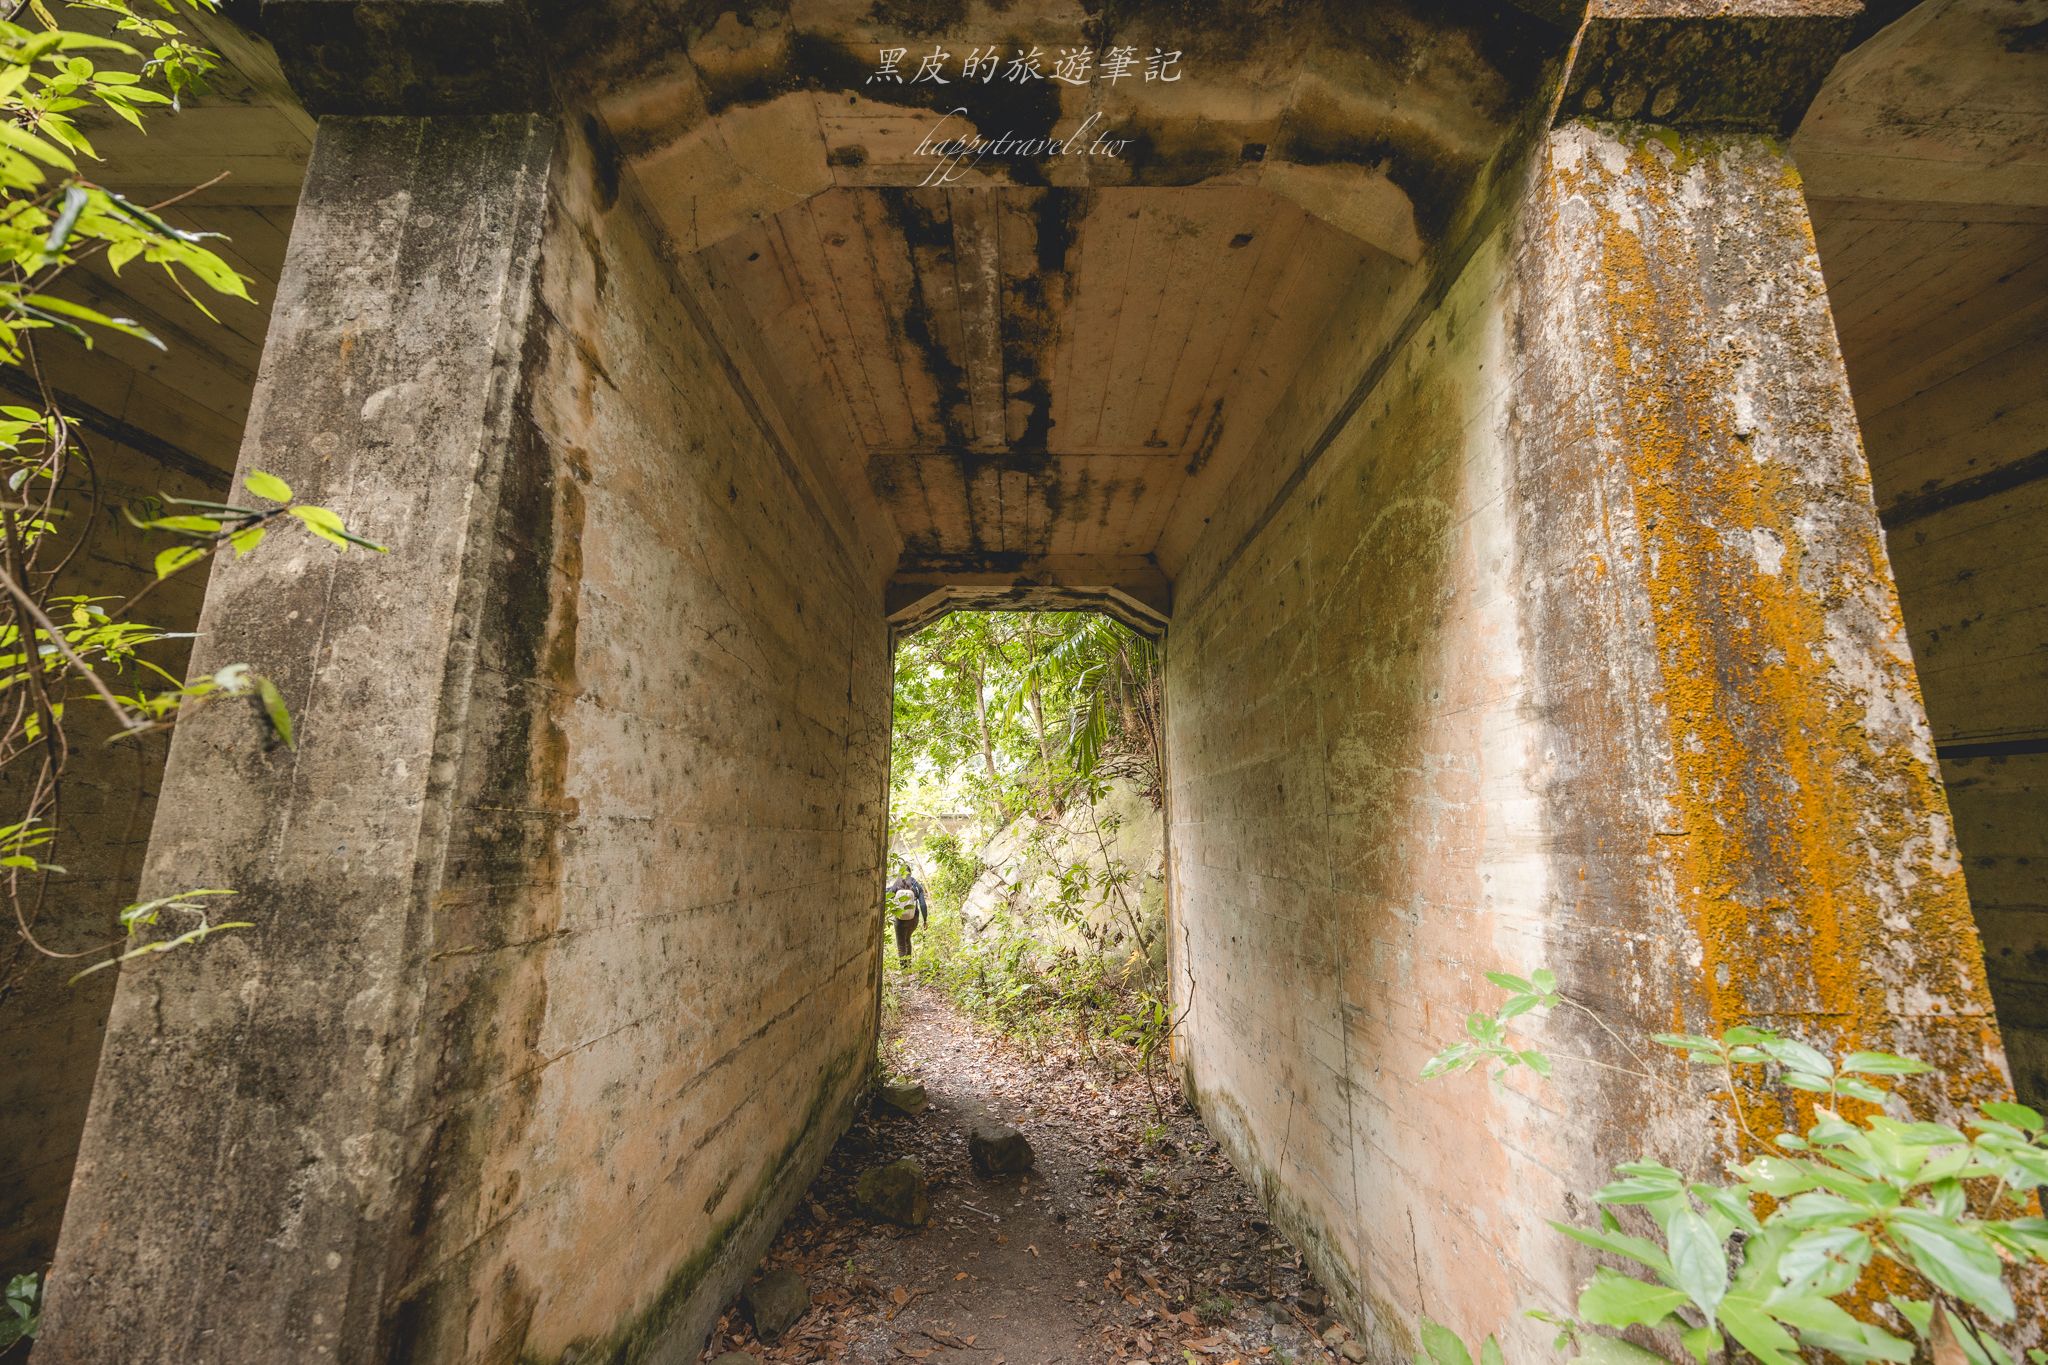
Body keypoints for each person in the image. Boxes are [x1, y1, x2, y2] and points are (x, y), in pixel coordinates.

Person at [884, 862, 928, 961]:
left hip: (900, 919)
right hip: (913, 919)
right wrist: (925, 920)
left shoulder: (897, 883)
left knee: (901, 945)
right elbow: (923, 905)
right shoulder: (916, 885)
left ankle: (905, 971)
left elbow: (888, 895)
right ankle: (909, 968)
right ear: (910, 872)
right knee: (907, 939)